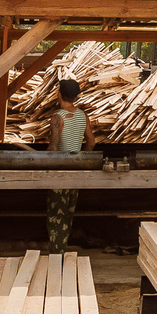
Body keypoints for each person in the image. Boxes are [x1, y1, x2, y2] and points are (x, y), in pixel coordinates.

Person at [45, 78, 91, 254]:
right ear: (75, 97)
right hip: (75, 172)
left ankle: (57, 255)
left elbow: (53, 148)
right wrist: (80, 159)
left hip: (60, 174)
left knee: (56, 216)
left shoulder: (58, 118)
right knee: (68, 214)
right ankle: (62, 250)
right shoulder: (83, 116)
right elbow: (91, 143)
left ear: (59, 95)